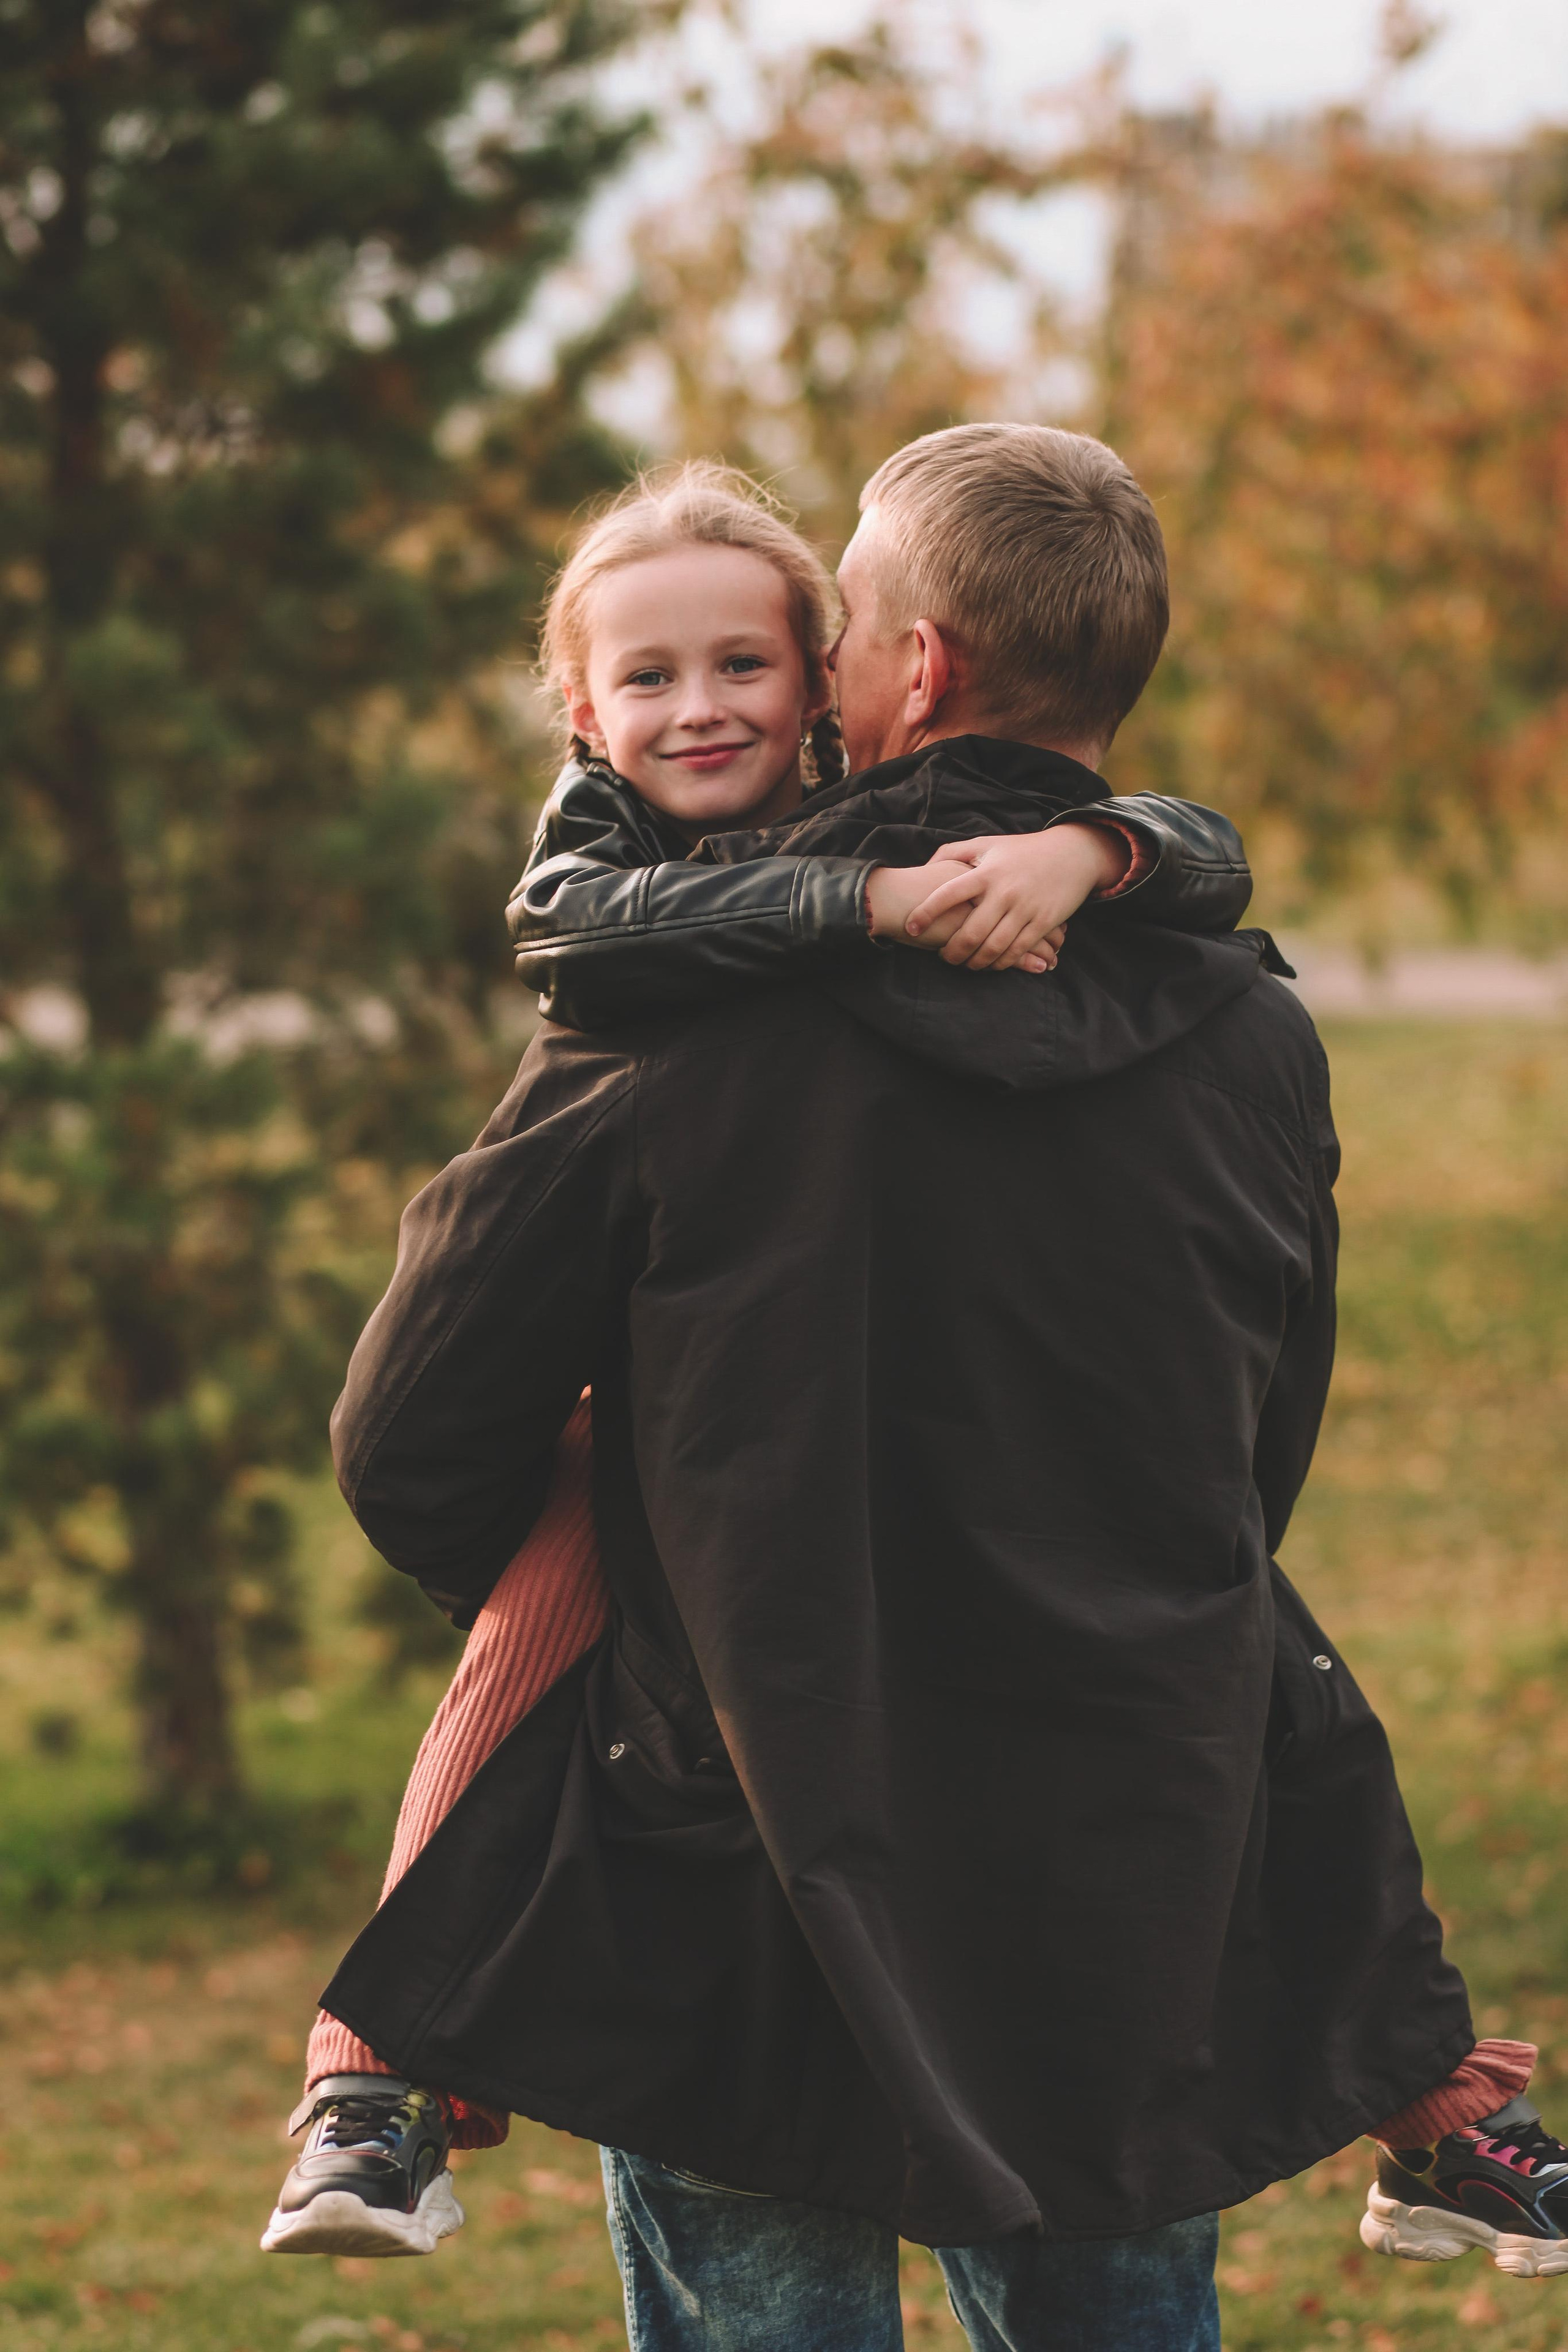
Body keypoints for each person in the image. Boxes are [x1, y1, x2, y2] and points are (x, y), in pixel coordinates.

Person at [281, 435, 1565, 2339]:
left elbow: (411, 1436)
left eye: (837, 618)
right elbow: (1247, 1446)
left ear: (919, 667)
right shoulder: (1252, 1030)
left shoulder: (679, 1012)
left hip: (738, 1822)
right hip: (1115, 1838)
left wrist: (641, 1568)